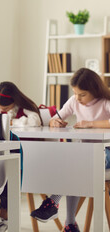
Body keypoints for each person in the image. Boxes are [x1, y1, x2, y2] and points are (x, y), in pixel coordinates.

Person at [30, 68, 110, 232]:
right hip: (83, 155)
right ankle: (69, 222)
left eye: (82, 94)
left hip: (106, 151)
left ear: (94, 90)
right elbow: (56, 117)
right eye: (75, 93)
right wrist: (55, 122)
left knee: (76, 163)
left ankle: (56, 206)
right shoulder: (74, 101)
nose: (78, 98)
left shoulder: (105, 101)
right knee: (74, 164)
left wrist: (90, 123)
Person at [0, 81, 42, 232]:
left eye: (5, 108)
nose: (1, 109)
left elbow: (35, 121)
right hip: (5, 152)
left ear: (15, 101)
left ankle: (4, 212)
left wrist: (12, 121)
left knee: (8, 167)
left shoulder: (25, 109)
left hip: (27, 152)